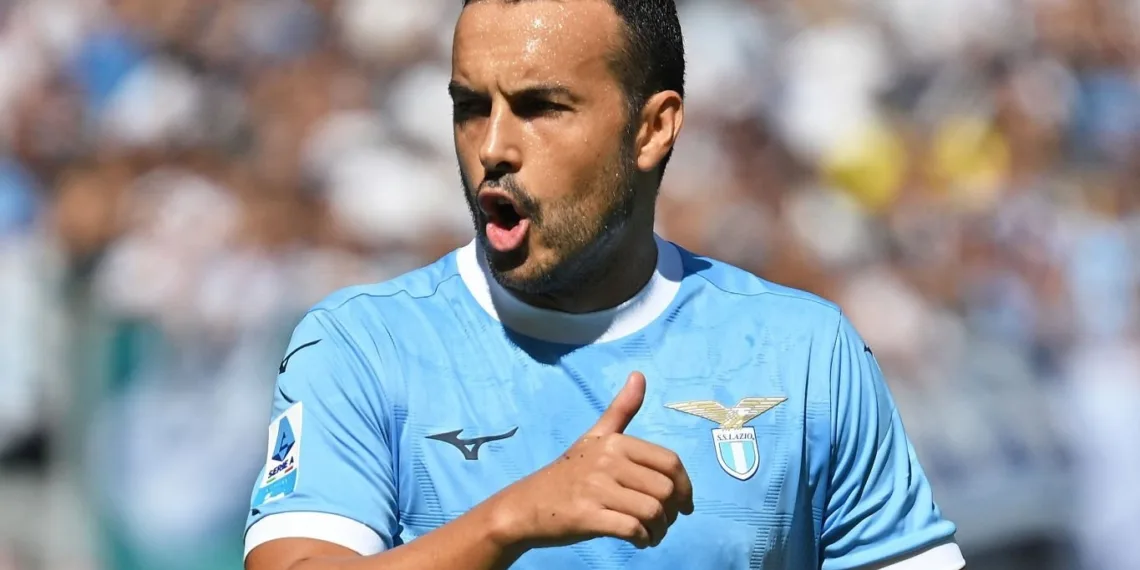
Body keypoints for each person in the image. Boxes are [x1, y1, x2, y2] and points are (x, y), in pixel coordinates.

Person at [243, 1, 965, 569]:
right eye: (471, 107)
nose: (493, 146)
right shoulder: (361, 346)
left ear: (653, 129)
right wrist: (513, 520)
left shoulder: (804, 353)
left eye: (540, 107)